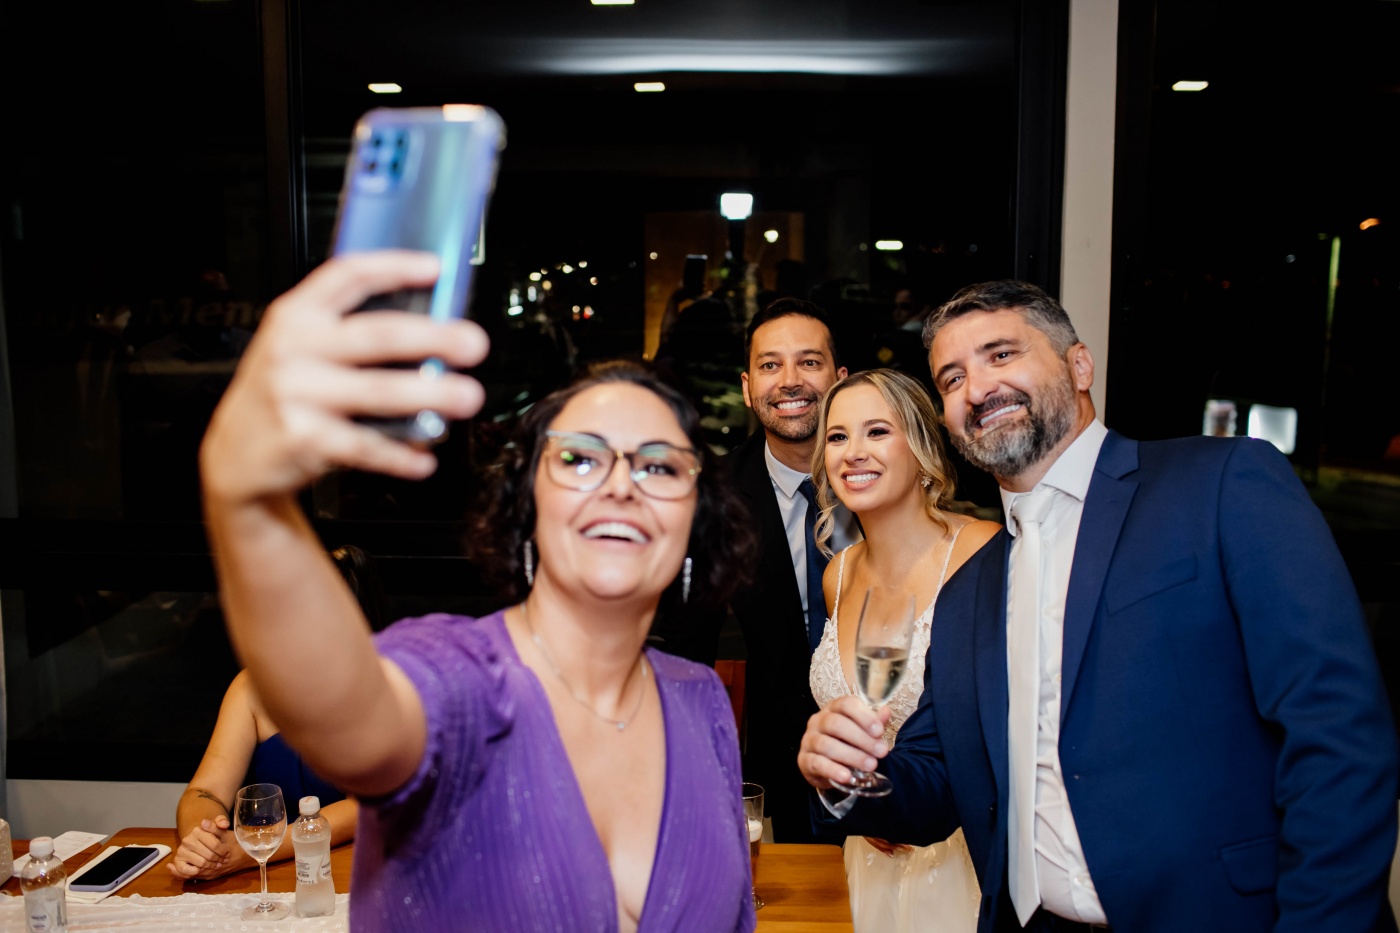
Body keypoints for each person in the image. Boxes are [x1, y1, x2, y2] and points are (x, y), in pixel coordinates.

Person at [799, 280, 1399, 932]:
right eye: (953, 377)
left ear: (1080, 365)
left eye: (1001, 354)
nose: (978, 387)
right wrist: (843, 774)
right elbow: (938, 783)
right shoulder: (968, 591)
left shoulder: (1219, 487)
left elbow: (1339, 736)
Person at [199, 251, 758, 933]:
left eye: (659, 465)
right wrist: (252, 507)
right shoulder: (459, 678)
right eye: (580, 458)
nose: (621, 484)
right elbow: (348, 722)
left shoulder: (702, 703)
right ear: (527, 503)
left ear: (696, 516)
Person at [656, 297, 862, 844]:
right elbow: (686, 650)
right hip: (780, 768)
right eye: (771, 365)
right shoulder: (711, 499)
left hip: (900, 751)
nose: (789, 380)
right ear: (748, 388)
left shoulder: (889, 475)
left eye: (809, 362)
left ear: (841, 379)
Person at [808, 369, 999, 932]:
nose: (853, 452)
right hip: (867, 855)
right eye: (837, 436)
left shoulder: (981, 553)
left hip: (957, 856)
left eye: (877, 431)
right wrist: (863, 800)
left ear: (920, 448)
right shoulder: (838, 574)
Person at [169, 545, 386, 880]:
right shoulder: (252, 686)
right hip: (269, 868)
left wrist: (249, 850)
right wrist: (205, 842)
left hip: (350, 866)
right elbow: (204, 791)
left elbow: (362, 809)